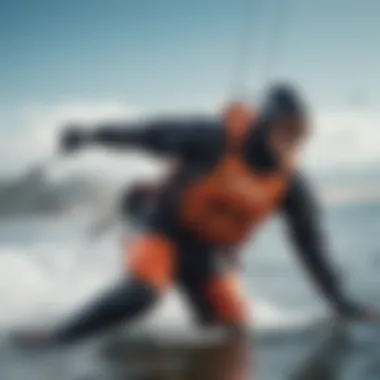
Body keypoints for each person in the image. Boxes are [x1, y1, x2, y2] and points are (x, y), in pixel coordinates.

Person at [14, 84, 376, 348]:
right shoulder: (212, 138)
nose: (292, 142)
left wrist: (339, 301)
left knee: (233, 334)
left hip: (207, 253)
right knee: (143, 294)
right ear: (265, 124)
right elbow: (148, 134)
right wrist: (91, 135)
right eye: (285, 130)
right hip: (161, 227)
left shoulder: (291, 186)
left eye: (300, 134)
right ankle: (56, 339)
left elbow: (310, 246)